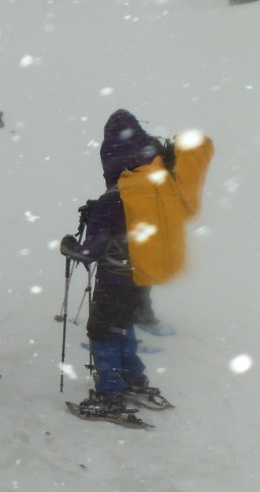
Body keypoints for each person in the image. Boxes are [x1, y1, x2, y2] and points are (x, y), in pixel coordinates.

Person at [61, 109, 160, 416]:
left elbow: (92, 251)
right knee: (123, 326)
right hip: (141, 276)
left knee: (102, 331)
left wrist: (71, 248)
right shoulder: (155, 190)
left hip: (114, 279)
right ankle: (135, 379)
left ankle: (110, 394)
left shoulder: (113, 200)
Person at [98, 109, 170, 336]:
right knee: (141, 262)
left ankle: (116, 327)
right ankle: (142, 314)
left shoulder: (112, 146)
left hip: (127, 212)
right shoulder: (151, 146)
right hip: (155, 215)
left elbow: (116, 180)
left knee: (120, 269)